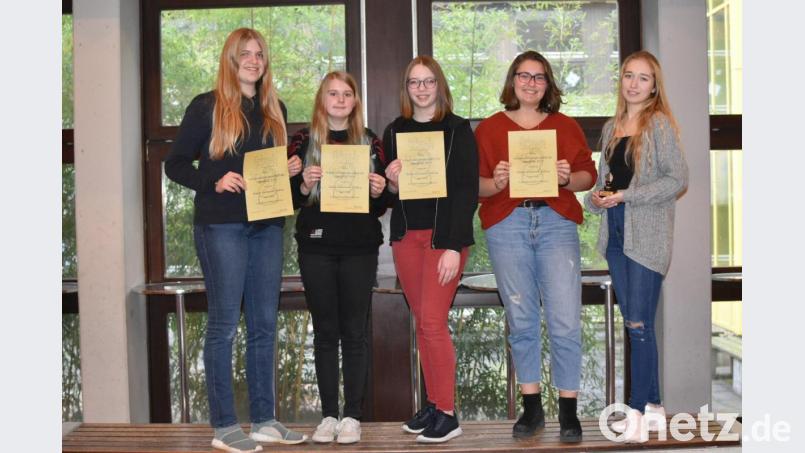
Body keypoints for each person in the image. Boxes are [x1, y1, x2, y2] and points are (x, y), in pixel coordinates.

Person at [164, 28, 307, 453]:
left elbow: (270, 172)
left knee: (264, 325)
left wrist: (289, 169)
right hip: (221, 226)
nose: (254, 60)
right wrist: (213, 179)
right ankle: (225, 426)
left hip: (268, 225)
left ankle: (264, 420)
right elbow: (175, 164)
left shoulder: (275, 108)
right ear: (231, 59)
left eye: (260, 54)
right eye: (245, 53)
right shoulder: (206, 106)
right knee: (224, 326)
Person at [474, 50, 597, 442]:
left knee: (565, 320)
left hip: (556, 224)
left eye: (539, 77)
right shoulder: (489, 129)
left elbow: (588, 176)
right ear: (512, 81)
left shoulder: (565, 126)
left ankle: (569, 412)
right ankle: (532, 409)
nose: (530, 83)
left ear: (548, 84)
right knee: (522, 320)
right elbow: (473, 187)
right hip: (507, 224)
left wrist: (567, 178)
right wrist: (495, 182)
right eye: (523, 76)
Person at [584, 50, 688, 443]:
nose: (634, 83)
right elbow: (603, 183)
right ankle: (655, 408)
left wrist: (627, 196)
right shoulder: (612, 127)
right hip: (615, 235)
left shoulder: (658, 124)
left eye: (643, 78)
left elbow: (677, 179)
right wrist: (596, 199)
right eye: (629, 75)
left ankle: (636, 413)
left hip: (647, 237)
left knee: (639, 326)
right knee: (635, 324)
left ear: (654, 86)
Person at [287, 71, 387, 445]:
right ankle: (329, 415)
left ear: (355, 101)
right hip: (316, 247)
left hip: (360, 248)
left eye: (347, 94)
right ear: (322, 99)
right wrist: (303, 184)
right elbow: (288, 197)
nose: (341, 100)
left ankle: (353, 417)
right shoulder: (303, 140)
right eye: (333, 93)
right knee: (325, 332)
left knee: (355, 333)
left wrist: (379, 190)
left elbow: (383, 203)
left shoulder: (371, 141)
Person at [382, 55, 479, 443]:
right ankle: (436, 404)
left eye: (428, 81)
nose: (421, 89)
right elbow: (393, 196)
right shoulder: (395, 130)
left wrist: (454, 246)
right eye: (414, 82)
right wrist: (392, 181)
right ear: (406, 89)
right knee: (423, 323)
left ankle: (448, 414)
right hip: (407, 238)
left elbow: (466, 192)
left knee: (434, 323)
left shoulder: (458, 129)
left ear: (439, 85)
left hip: (444, 240)